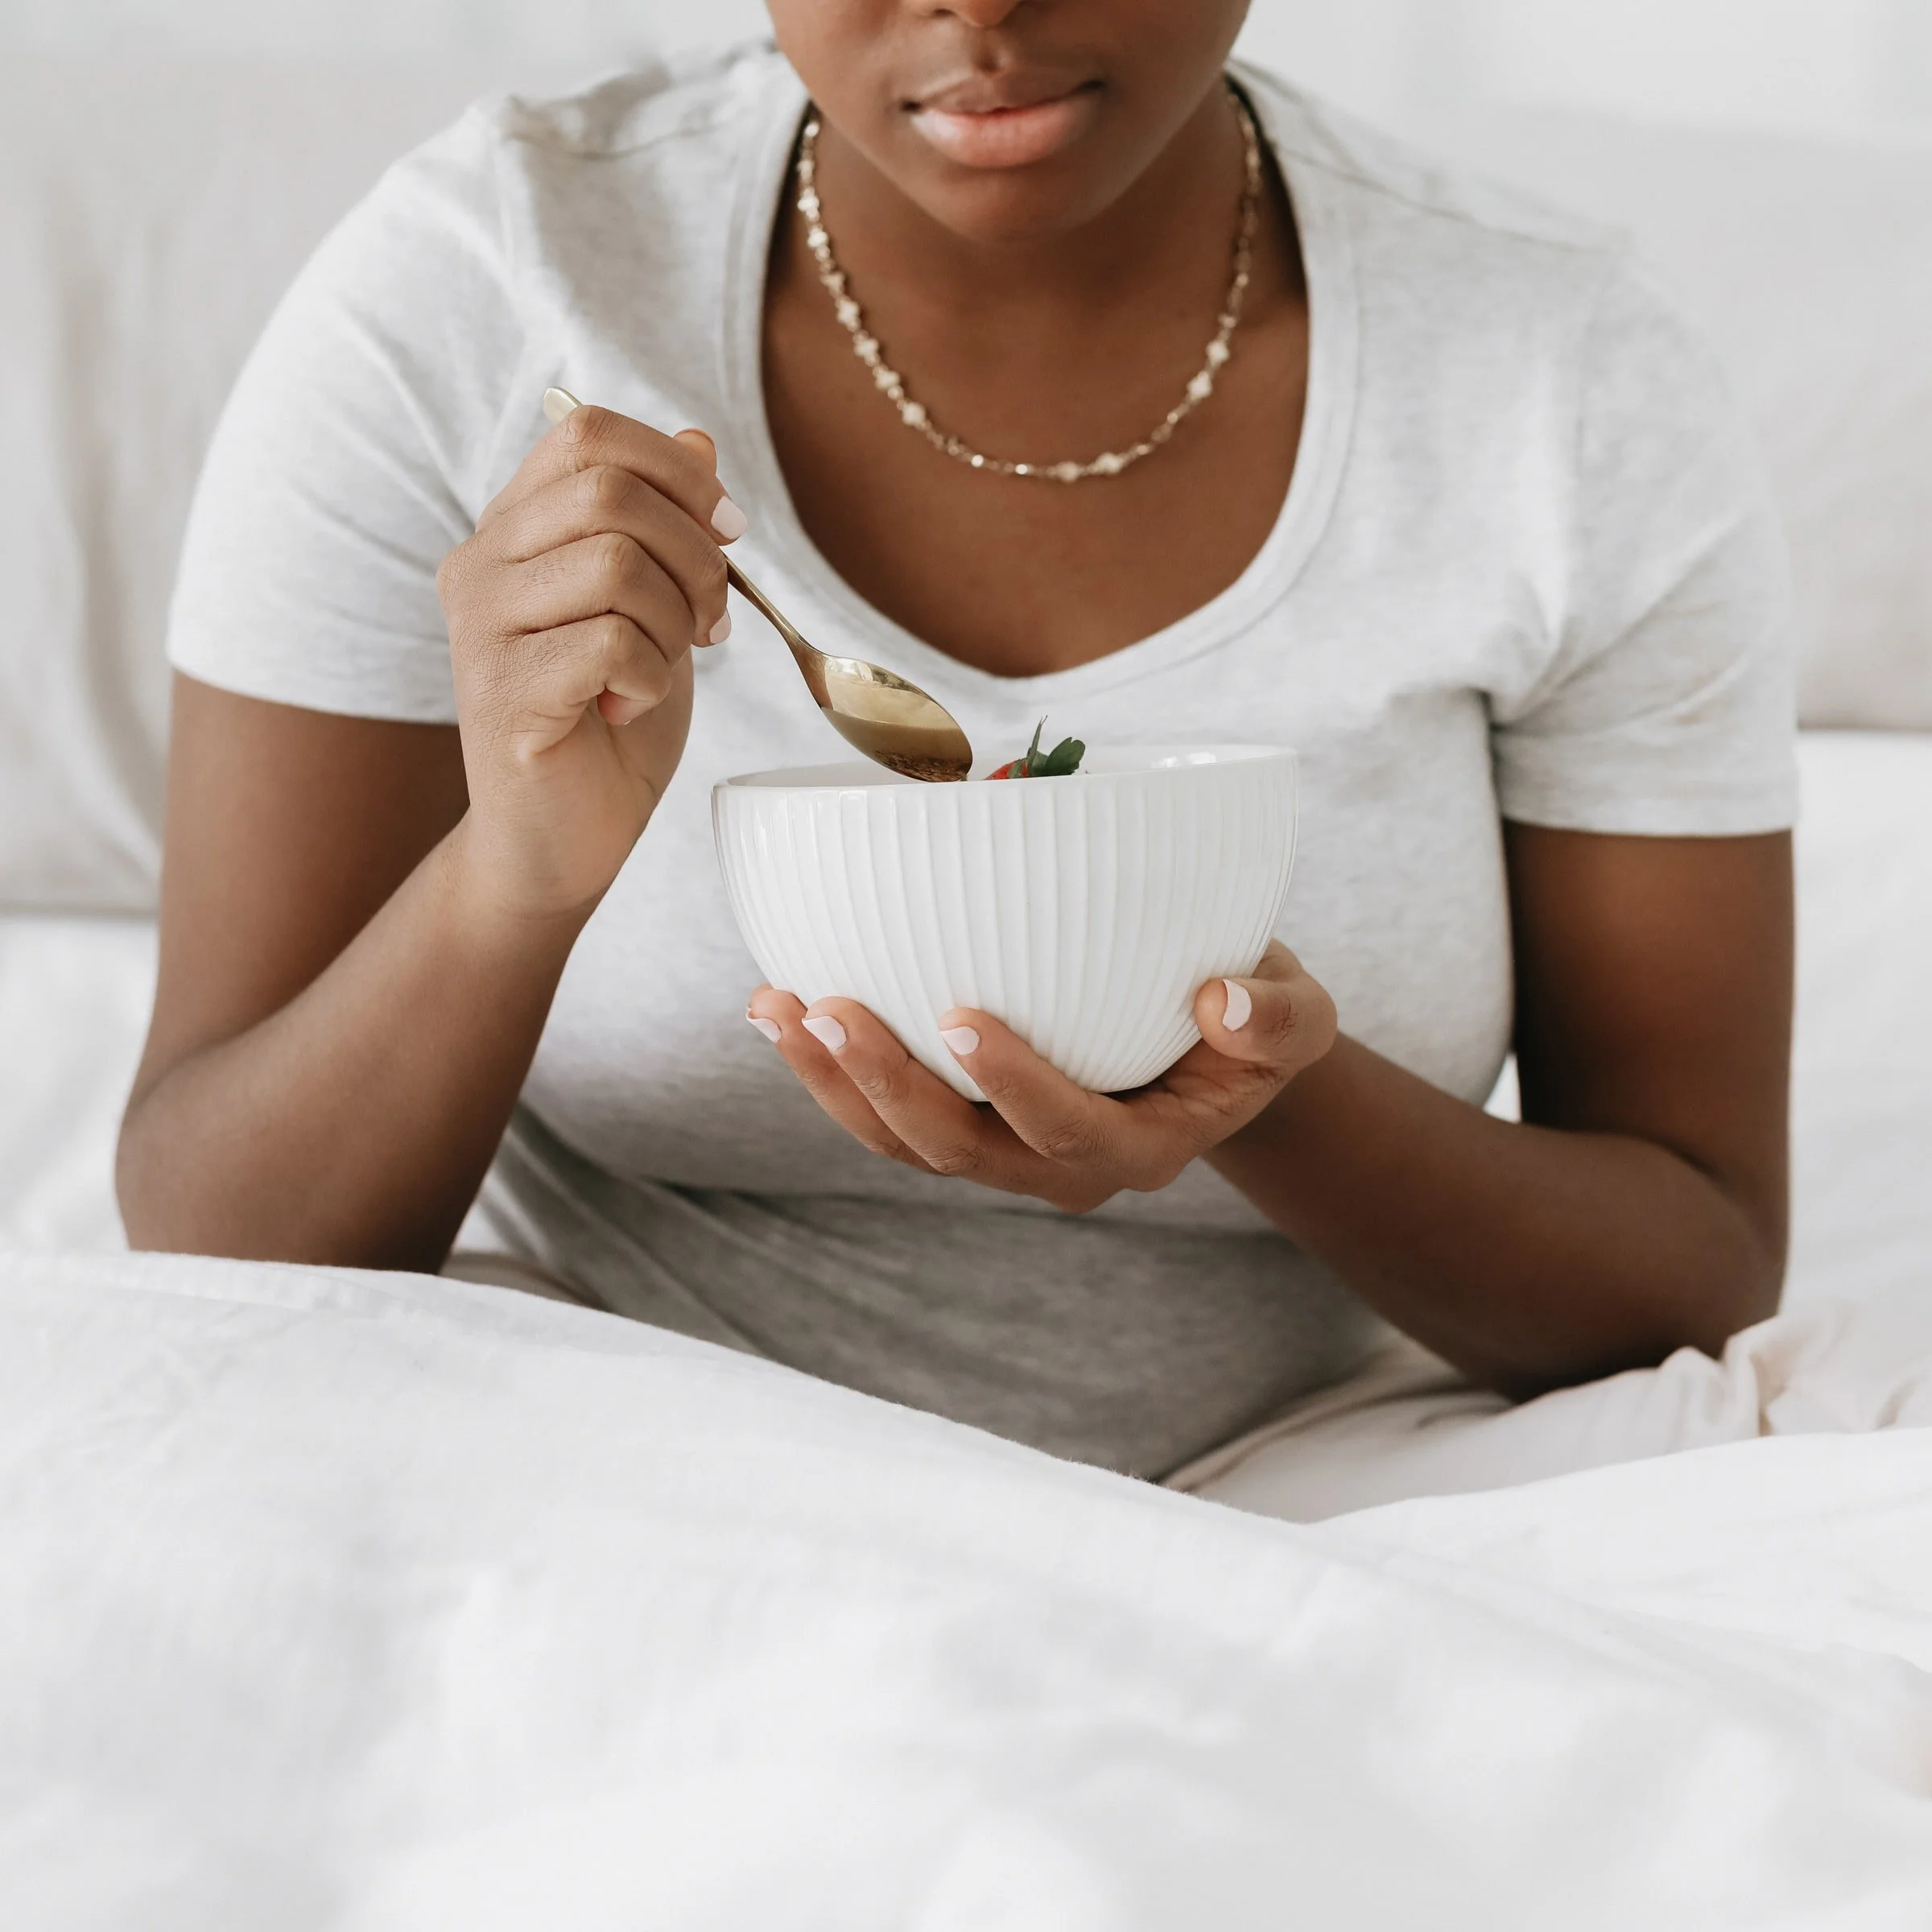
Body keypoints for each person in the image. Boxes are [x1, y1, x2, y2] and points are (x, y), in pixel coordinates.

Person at [117, 0, 1797, 1498]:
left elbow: (1695, 1263)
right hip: (608, 1455)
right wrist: (515, 874)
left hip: (1329, 1491)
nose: (981, 7)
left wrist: (1254, 1099)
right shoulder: (481, 287)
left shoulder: (1559, 374)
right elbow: (213, 1236)